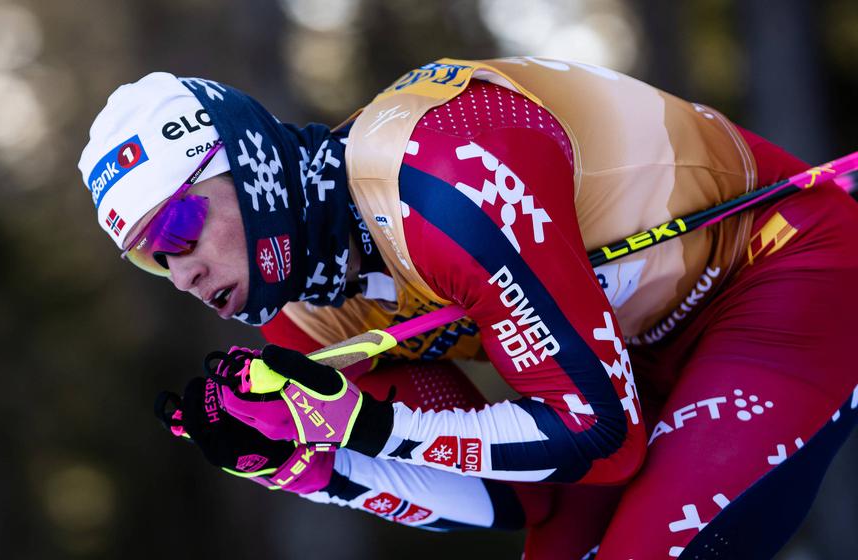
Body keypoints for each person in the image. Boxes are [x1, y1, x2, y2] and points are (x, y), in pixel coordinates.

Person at [77, 58, 858, 559]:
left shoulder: (436, 180)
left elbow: (601, 439)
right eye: (153, 256)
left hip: (777, 269)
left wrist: (368, 429)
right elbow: (522, 496)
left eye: (179, 226)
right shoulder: (304, 317)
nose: (181, 273)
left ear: (248, 166)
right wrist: (318, 467)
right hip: (633, 363)